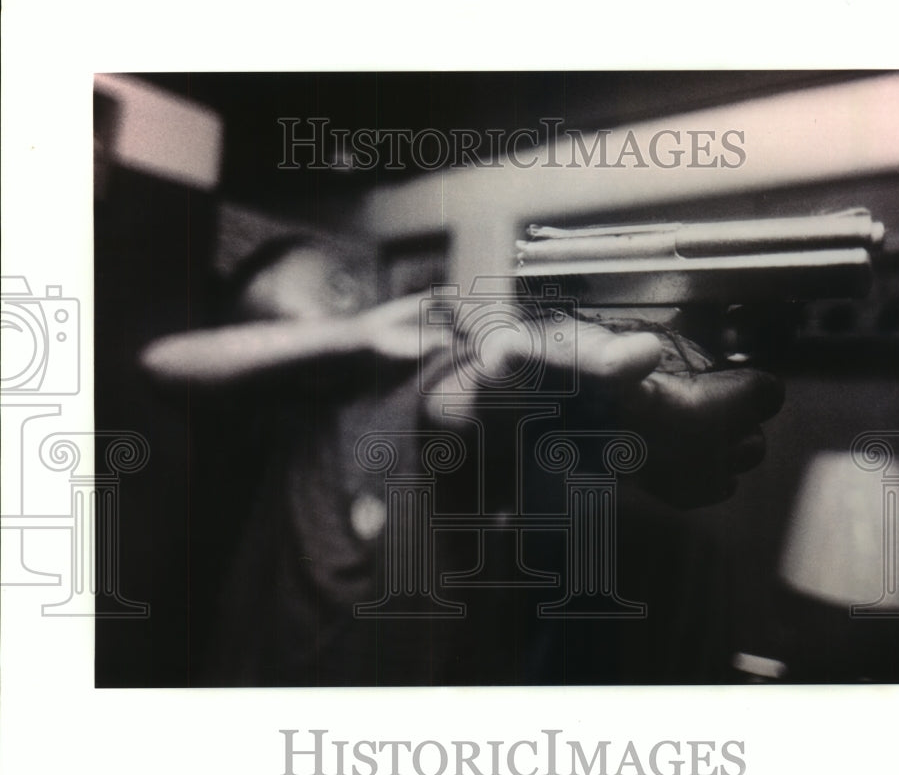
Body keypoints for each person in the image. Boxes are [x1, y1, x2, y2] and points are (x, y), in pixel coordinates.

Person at [141, 233, 783, 686]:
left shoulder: (425, 376)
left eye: (341, 285)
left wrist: (582, 396)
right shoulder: (284, 416)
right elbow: (162, 362)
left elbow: (479, 392)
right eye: (270, 325)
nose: (346, 296)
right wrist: (356, 332)